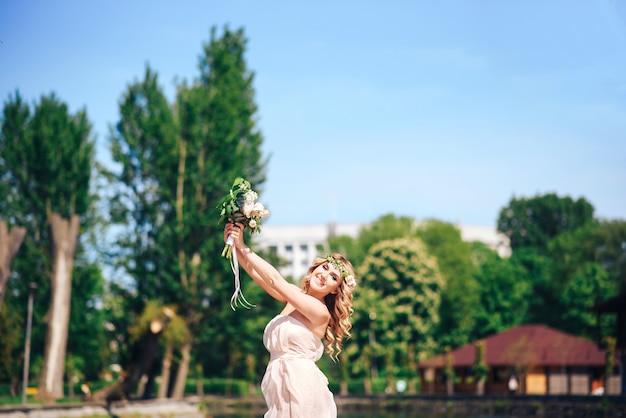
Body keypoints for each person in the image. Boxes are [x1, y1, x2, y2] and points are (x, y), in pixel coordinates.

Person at [224, 223, 356, 418]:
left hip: (300, 384)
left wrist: (243, 246)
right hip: (278, 382)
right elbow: (255, 273)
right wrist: (234, 243)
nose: (324, 276)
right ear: (316, 266)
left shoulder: (319, 312)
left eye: (333, 277)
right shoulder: (294, 295)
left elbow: (275, 280)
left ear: (335, 289)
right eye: (325, 268)